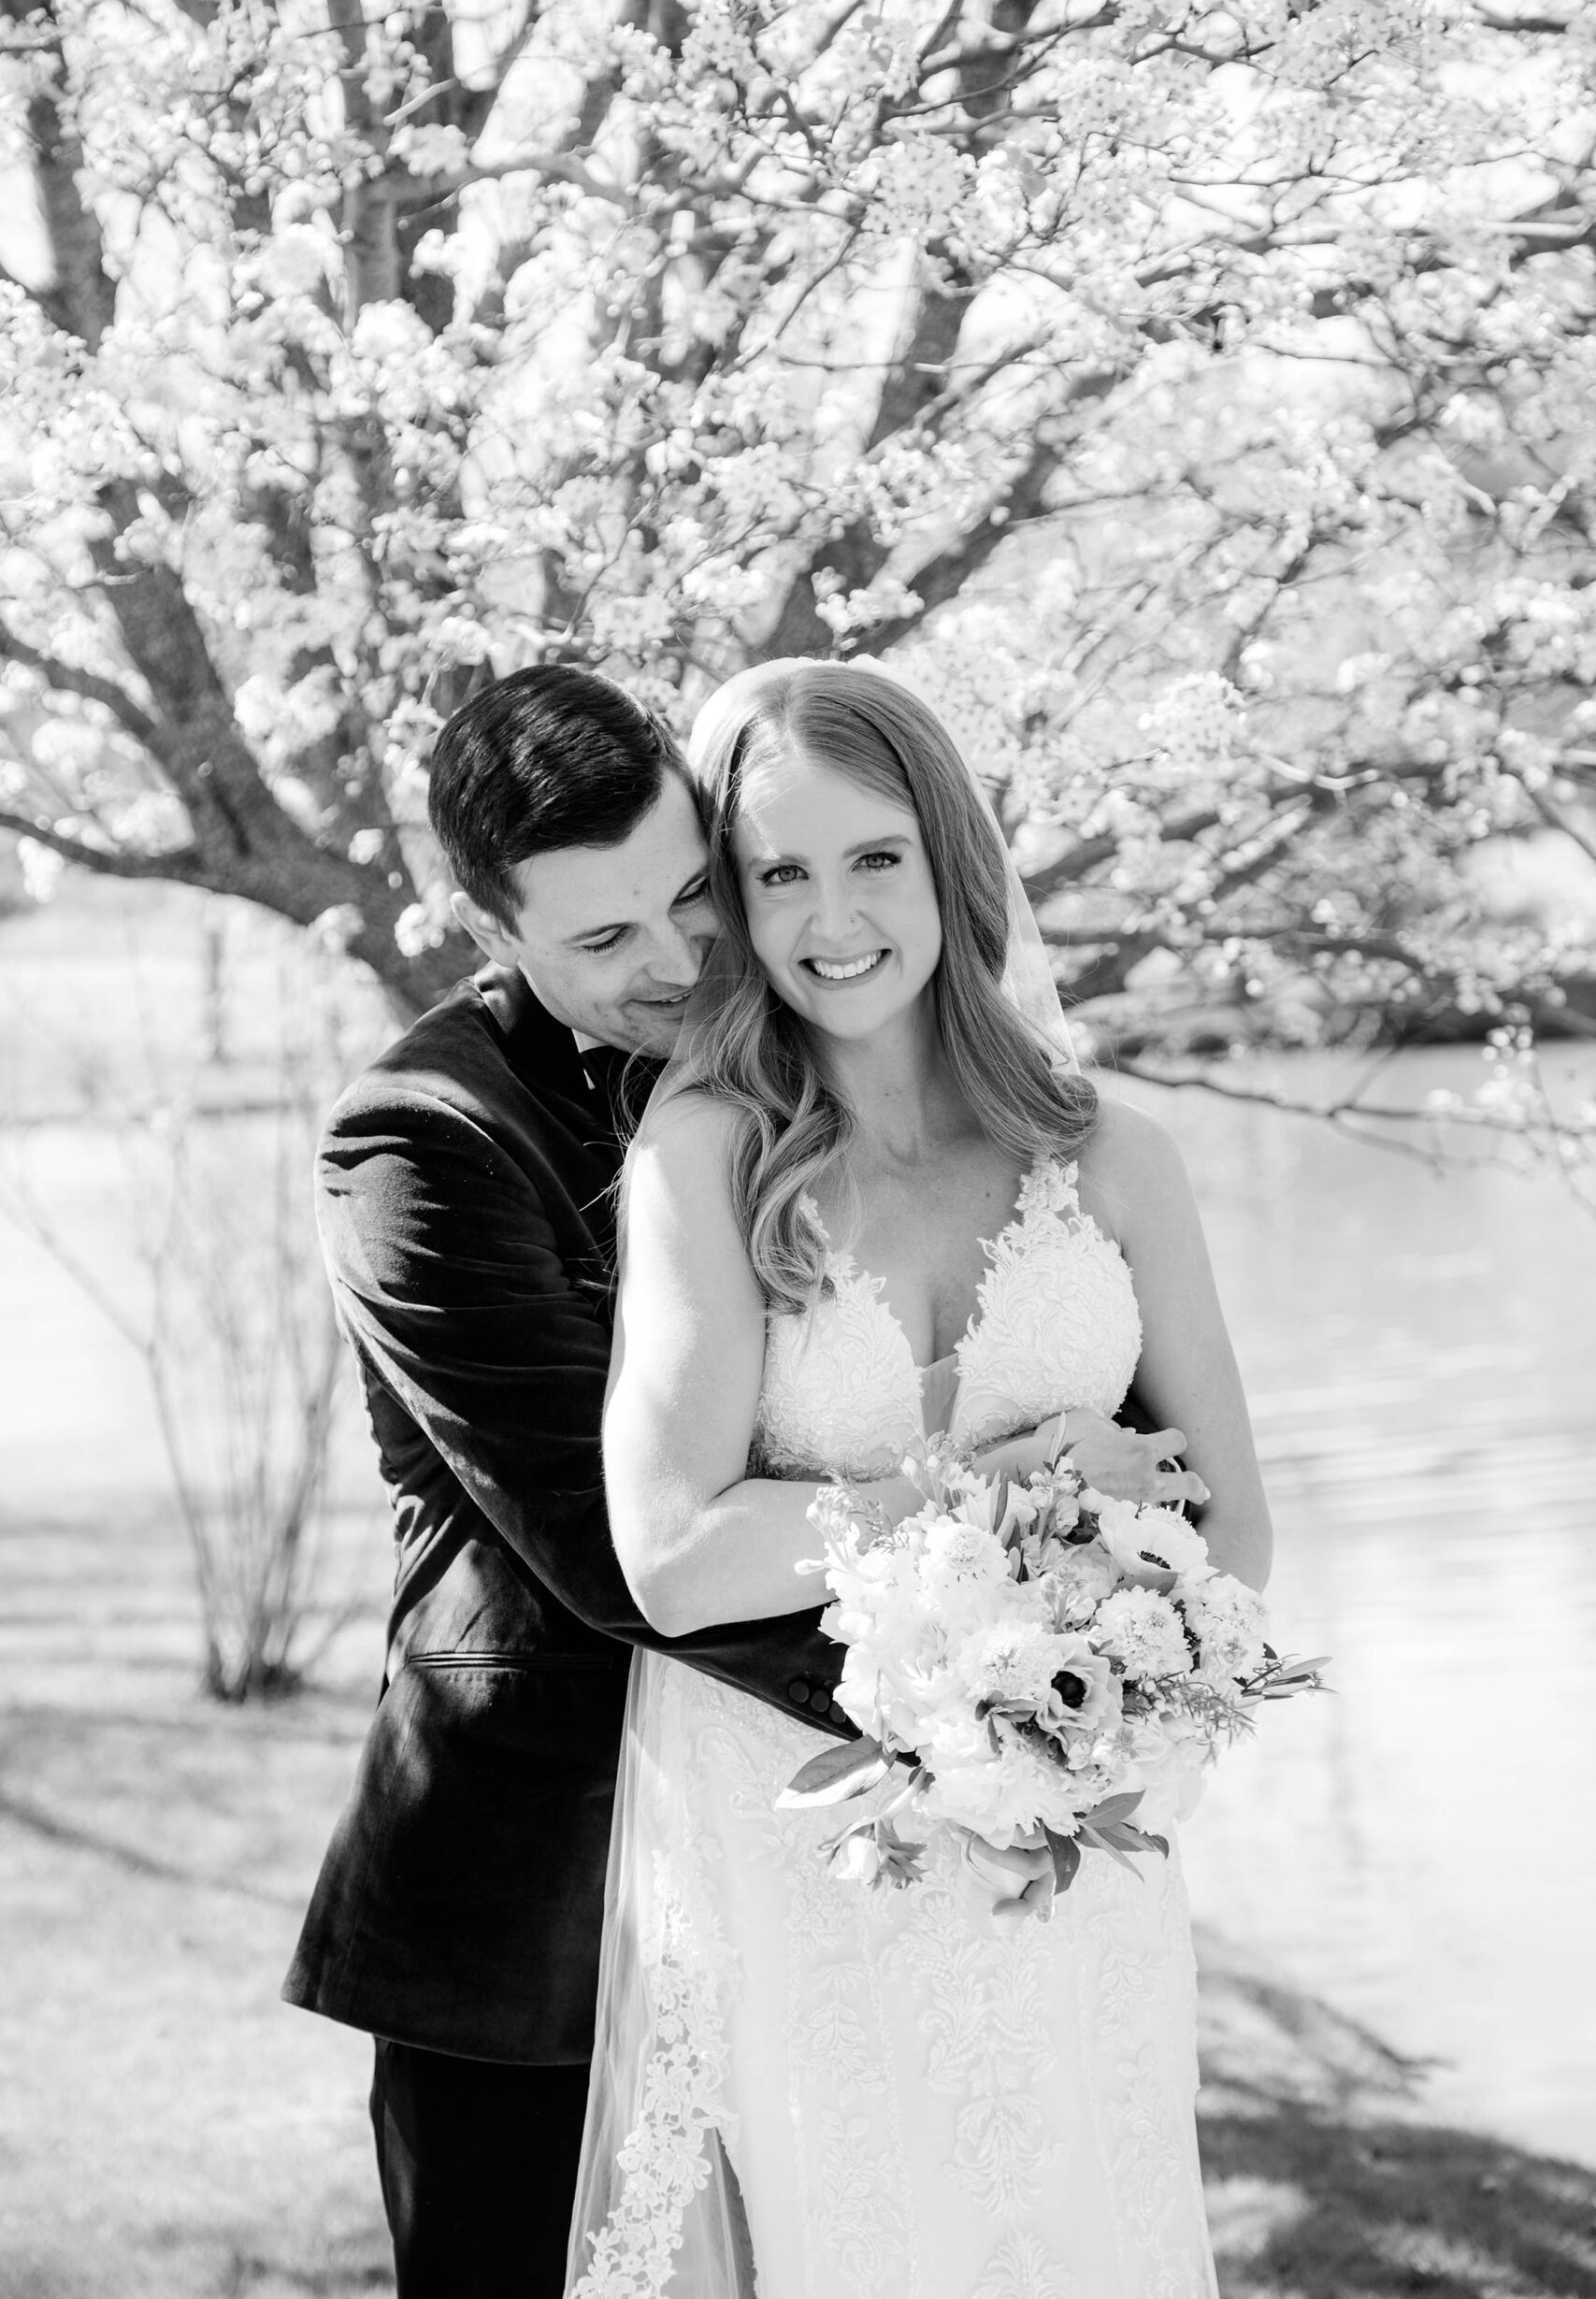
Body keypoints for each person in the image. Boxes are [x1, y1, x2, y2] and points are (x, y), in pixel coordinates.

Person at [574, 658, 1272, 2299]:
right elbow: (674, 1559)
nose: (835, 917)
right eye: (781, 872)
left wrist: (1116, 1734)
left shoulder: (1113, 1155)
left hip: (1082, 1846)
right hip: (818, 1863)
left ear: (948, 856)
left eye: (874, 856)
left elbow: (1232, 1521)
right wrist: (995, 1490)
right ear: (735, 903)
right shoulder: (711, 1159)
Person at [281, 666, 859, 2299]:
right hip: (532, 1906)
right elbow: (618, 1555)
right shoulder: (414, 1144)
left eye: (694, 895)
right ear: (491, 929)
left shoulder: (815, 1056)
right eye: (605, 941)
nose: (678, 964)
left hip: (801, 1874)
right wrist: (966, 1680)